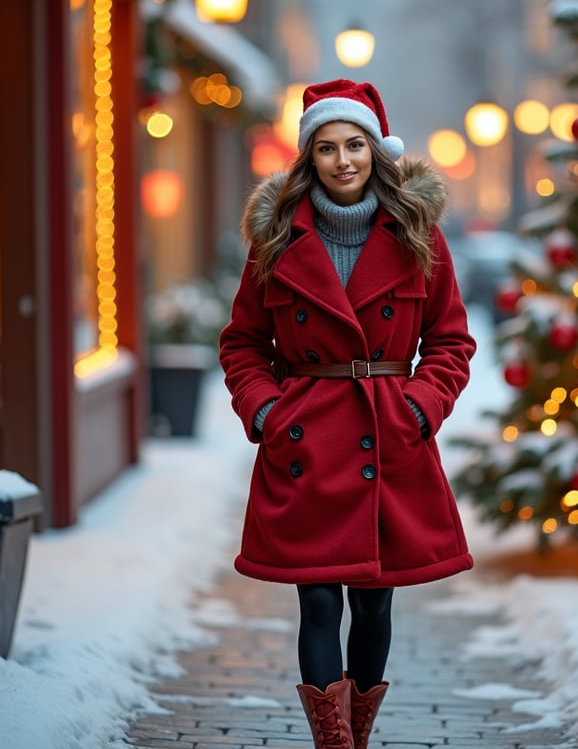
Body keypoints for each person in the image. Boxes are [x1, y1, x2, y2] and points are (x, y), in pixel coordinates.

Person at [218, 79, 476, 749]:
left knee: (374, 600)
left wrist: (420, 409)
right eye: (327, 147)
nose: (342, 160)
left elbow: (450, 341)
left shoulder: (419, 234)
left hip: (390, 437)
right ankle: (333, 745)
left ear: (375, 150)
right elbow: (243, 342)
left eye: (354, 144)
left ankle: (355, 735)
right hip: (306, 440)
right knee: (318, 599)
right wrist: (267, 412)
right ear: (309, 157)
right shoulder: (275, 238)